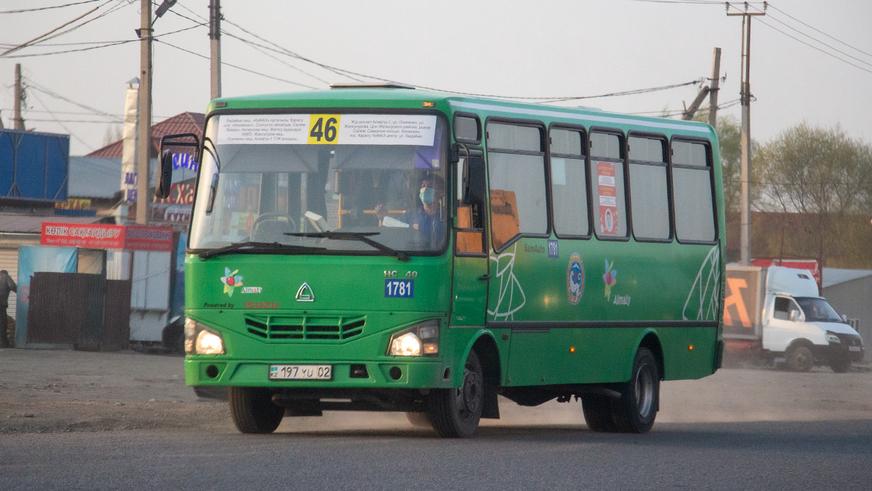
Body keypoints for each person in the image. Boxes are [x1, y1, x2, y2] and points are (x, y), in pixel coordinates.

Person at [0, 269, 17, 348]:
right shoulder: (6, 277)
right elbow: (13, 286)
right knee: (2, 323)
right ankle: (3, 343)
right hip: (1, 304)